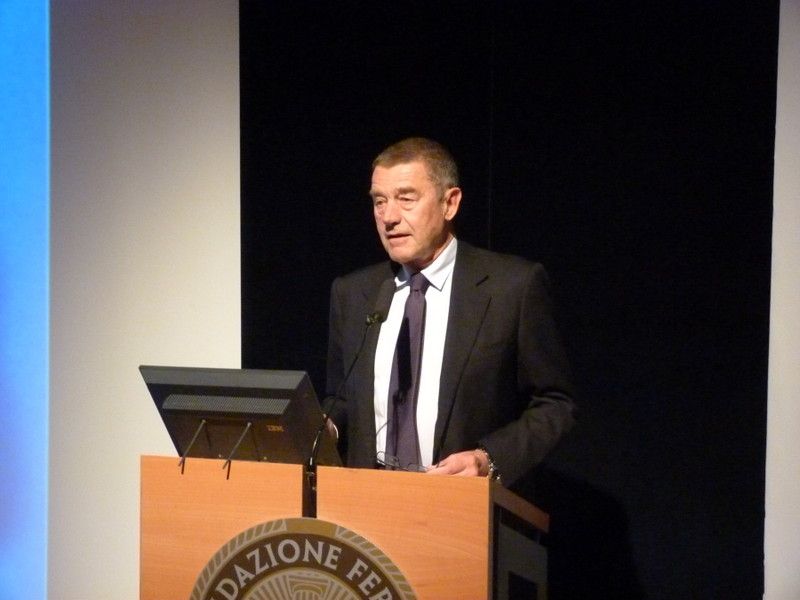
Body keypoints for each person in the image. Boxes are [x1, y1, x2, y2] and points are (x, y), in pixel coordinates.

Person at [325, 137, 575, 488]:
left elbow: (555, 404)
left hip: (462, 502)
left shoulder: (512, 288)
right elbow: (341, 399)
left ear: (450, 203)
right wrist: (326, 427)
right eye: (379, 201)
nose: (389, 217)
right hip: (367, 501)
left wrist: (488, 459)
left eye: (406, 199)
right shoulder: (354, 294)